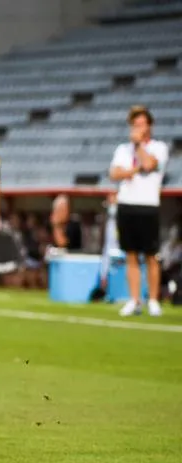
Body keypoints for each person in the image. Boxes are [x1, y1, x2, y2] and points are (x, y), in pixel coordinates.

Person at [109, 105, 169, 317]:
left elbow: (149, 164)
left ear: (149, 126)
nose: (138, 128)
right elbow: (114, 174)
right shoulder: (122, 149)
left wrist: (138, 147)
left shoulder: (158, 147)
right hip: (127, 205)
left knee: (151, 255)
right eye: (135, 125)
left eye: (141, 124)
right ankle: (135, 300)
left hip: (148, 205)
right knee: (130, 255)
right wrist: (133, 170)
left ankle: (153, 299)